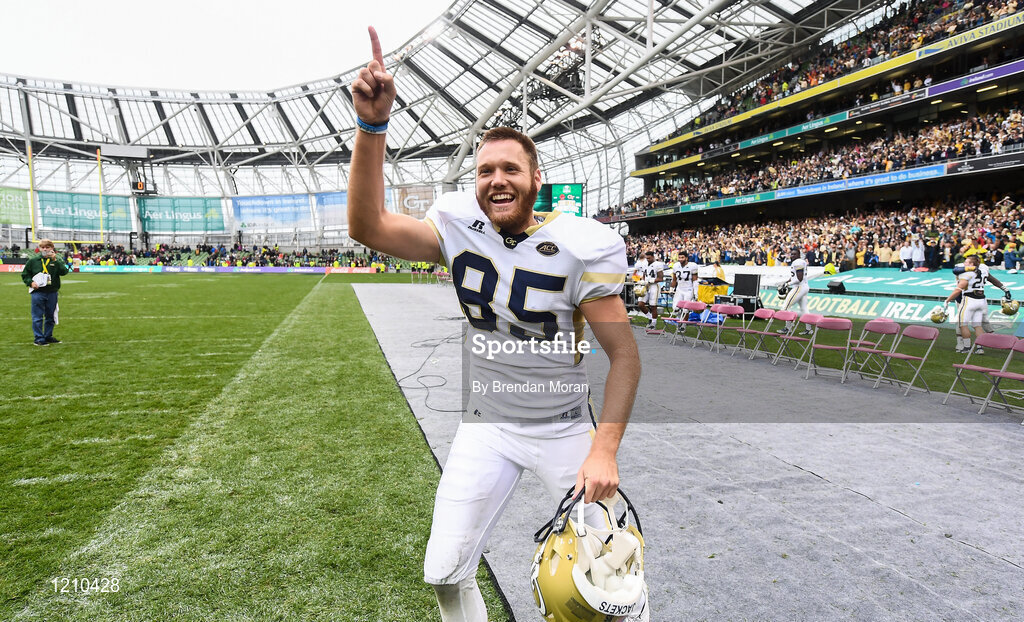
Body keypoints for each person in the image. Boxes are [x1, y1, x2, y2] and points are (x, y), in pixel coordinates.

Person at [348, 27, 646, 622]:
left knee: (607, 584)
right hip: (487, 427)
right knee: (442, 571)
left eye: (510, 168)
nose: (496, 180)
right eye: (485, 171)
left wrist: (604, 450)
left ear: (537, 180)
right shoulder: (458, 225)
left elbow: (625, 357)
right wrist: (373, 126)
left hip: (564, 430)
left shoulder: (582, 245)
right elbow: (368, 227)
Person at [942, 255, 1012, 354]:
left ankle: (966, 347)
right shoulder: (983, 270)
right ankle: (980, 348)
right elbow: (992, 279)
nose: (964, 263)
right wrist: (1005, 289)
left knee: (962, 324)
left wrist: (947, 300)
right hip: (981, 300)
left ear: (971, 264)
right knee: (978, 325)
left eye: (966, 262)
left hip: (969, 299)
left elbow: (959, 287)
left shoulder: (967, 272)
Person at [21, 239, 68, 346]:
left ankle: (48, 336)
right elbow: (25, 275)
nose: (45, 249)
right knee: (37, 316)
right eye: (43, 247)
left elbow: (64, 272)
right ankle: (38, 338)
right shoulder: (33, 261)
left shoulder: (56, 260)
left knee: (50, 316)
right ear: (39, 249)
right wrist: (30, 282)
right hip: (38, 292)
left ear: (52, 248)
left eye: (47, 247)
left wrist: (55, 260)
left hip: (52, 292)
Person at [778, 254, 813, 335]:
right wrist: (786, 282)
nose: (792, 255)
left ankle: (788, 327)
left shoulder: (798, 262)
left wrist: (788, 284)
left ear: (798, 254)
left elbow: (799, 279)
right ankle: (809, 329)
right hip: (803, 286)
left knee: (785, 307)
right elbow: (795, 276)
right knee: (804, 309)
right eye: (791, 254)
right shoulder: (798, 262)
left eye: (794, 254)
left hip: (799, 287)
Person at [633, 250, 665, 329]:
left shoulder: (658, 264)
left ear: (653, 257)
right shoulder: (644, 264)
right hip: (646, 286)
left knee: (653, 306)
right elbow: (644, 274)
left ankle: (653, 323)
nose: (648, 260)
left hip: (654, 286)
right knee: (640, 304)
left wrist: (651, 280)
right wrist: (643, 281)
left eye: (649, 258)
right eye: (646, 258)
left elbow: (661, 278)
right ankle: (650, 318)